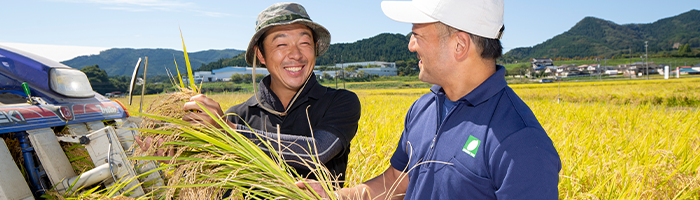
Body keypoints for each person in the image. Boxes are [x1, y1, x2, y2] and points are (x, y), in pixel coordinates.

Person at [297, 0, 561, 199]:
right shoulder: (423, 108)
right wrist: (333, 196)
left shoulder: (520, 141)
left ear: (459, 45)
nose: (411, 45)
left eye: (417, 35)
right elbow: (398, 183)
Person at [137, 2, 361, 183]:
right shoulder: (239, 116)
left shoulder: (340, 102)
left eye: (304, 43)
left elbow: (319, 151)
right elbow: (218, 182)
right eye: (281, 45)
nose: (296, 54)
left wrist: (229, 131)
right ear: (261, 55)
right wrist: (175, 163)